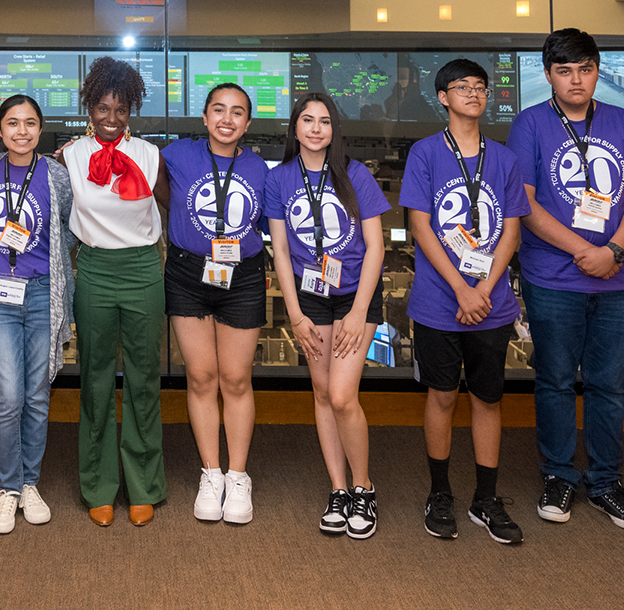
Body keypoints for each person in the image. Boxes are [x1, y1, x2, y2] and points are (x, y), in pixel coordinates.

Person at [508, 28, 624, 531]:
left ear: (597, 70)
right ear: (548, 75)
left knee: (607, 385)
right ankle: (558, 475)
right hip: (554, 277)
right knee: (553, 380)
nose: (577, 80)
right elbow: (524, 204)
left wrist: (612, 251)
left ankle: (606, 481)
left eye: (586, 69)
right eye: (565, 71)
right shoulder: (530, 124)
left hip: (618, 278)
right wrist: (585, 251)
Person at [399, 58, 529, 544]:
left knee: (488, 399)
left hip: (491, 302)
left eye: (480, 87)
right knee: (442, 396)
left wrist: (485, 290)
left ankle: (486, 498)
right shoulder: (426, 154)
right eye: (462, 87)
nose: (473, 93)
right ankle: (440, 493)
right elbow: (420, 226)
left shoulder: (504, 158)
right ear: (443, 98)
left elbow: (511, 228)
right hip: (440, 301)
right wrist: (461, 289)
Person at [264, 91, 390, 538]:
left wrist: (359, 313)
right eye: (307, 120)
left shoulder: (355, 174)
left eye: (325, 121)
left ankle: (364, 486)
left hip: (355, 294)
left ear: (334, 129)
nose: (316, 128)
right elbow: (279, 248)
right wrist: (294, 313)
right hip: (310, 297)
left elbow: (377, 246)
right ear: (294, 127)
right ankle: (338, 489)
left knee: (341, 395)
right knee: (320, 392)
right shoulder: (278, 179)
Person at [155, 83, 269, 525]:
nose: (227, 119)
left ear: (247, 123)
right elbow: (131, 164)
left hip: (241, 276)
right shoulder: (176, 154)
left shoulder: (261, 169)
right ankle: (211, 472)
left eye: (237, 112)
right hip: (187, 274)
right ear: (204, 118)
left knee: (236, 379)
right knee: (201, 376)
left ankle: (239, 475)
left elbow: (270, 225)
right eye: (218, 110)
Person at [61, 57, 165, 527]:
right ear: (90, 106)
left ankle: (144, 484)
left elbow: (174, 210)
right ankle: (98, 485)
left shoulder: (150, 155)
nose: (111, 118)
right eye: (103, 108)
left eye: (121, 109)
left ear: (131, 110)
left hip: (143, 269)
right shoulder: (69, 156)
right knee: (96, 380)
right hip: (96, 269)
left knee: (144, 379)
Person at [0, 94, 74, 534]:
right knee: (8, 396)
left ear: (40, 128)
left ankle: (31, 483)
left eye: (30, 123)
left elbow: (65, 228)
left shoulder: (56, 175)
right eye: (13, 123)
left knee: (36, 395)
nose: (22, 131)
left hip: (42, 293)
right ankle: (8, 488)